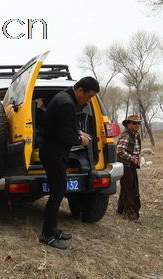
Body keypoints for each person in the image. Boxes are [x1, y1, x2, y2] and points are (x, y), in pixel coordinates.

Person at [39, 77, 99, 250]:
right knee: (57, 193)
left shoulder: (65, 98)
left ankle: (53, 229)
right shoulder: (66, 103)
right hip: (53, 154)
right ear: (80, 91)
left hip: (54, 152)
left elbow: (66, 125)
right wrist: (81, 140)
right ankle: (47, 235)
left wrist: (79, 131)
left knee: (59, 191)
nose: (88, 101)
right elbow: (64, 136)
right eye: (89, 97)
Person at [116, 115, 142, 221]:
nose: (137, 125)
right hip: (126, 165)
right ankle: (130, 213)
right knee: (129, 189)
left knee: (128, 187)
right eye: (134, 123)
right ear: (128, 124)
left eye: (138, 123)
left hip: (131, 165)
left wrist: (138, 158)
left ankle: (121, 209)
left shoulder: (135, 135)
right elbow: (120, 151)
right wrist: (133, 159)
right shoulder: (126, 135)